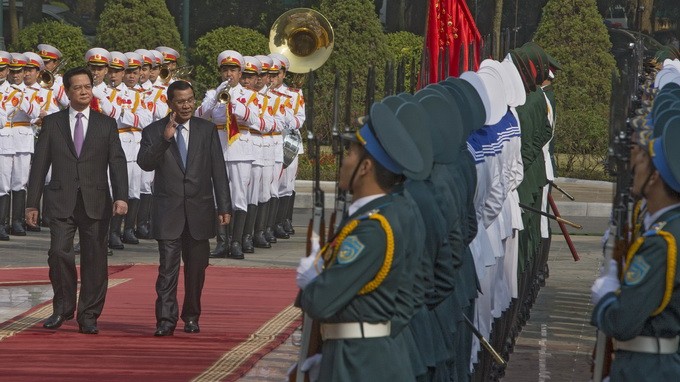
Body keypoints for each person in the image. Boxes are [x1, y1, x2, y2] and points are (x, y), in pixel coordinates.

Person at [297, 103, 424, 381]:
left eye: (350, 153)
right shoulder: (386, 212)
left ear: (366, 167)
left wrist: (313, 281)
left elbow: (319, 301)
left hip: (361, 363)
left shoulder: (373, 230)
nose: (344, 160)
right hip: (359, 353)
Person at [25, 67, 128, 334]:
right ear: (67, 92)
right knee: (59, 253)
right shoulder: (53, 123)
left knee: (94, 260)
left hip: (96, 200)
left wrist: (121, 197)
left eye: (87, 86)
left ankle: (89, 315)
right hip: (61, 199)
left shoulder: (106, 124)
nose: (84, 91)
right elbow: (39, 164)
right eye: (77, 87)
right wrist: (32, 202)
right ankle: (62, 307)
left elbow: (117, 163)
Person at [137, 80, 232, 336]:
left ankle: (191, 316)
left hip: (199, 212)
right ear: (170, 104)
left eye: (190, 100)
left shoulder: (206, 130)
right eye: (181, 101)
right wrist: (164, 140)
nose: (187, 105)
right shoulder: (154, 131)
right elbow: (145, 163)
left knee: (195, 271)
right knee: (167, 270)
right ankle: (165, 321)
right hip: (168, 212)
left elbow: (218, 170)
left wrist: (224, 205)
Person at [591, 113, 680, 381]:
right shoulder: (668, 229)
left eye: (642, 162)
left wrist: (605, 297)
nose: (634, 169)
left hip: (646, 370)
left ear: (654, 177)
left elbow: (622, 322)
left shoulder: (661, 242)